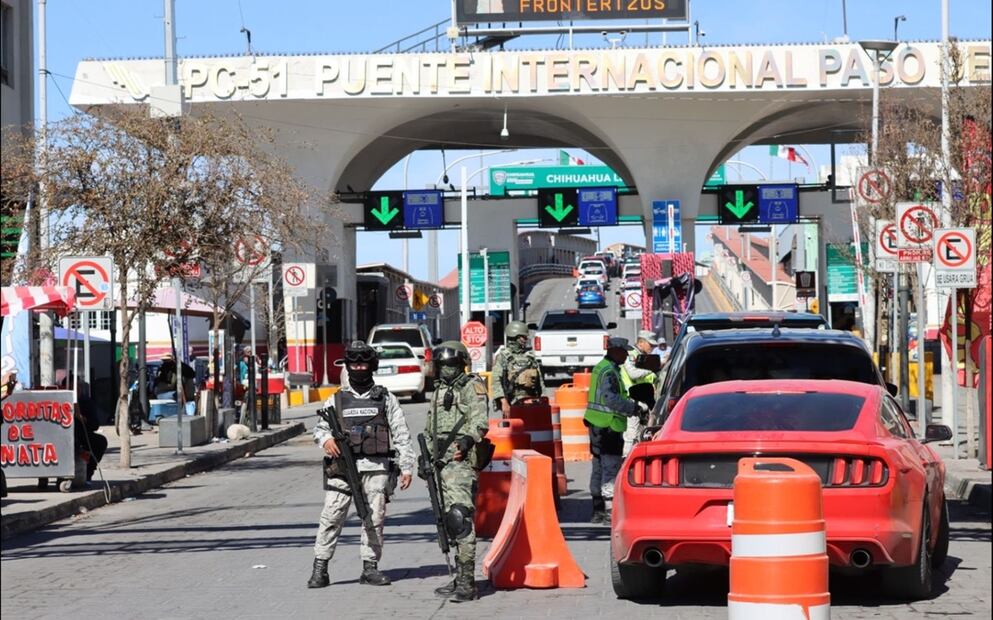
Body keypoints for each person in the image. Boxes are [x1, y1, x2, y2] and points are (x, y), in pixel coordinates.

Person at [307, 341, 415, 589]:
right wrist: (326, 440)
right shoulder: (336, 399)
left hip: (376, 468)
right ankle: (320, 568)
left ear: (371, 365)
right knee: (332, 516)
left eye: (362, 363)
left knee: (374, 518)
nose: (358, 367)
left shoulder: (385, 398)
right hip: (343, 469)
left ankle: (370, 568)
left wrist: (407, 467)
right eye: (353, 363)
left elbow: (401, 434)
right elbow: (320, 429)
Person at [425, 341, 489, 602]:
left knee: (459, 517)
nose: (446, 370)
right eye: (442, 365)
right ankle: (458, 575)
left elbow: (481, 421)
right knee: (446, 521)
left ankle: (467, 581)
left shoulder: (471, 387)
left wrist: (468, 440)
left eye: (451, 365)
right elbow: (431, 426)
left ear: (461, 364)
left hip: (460, 460)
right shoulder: (439, 390)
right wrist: (426, 455)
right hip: (439, 461)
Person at [584, 337, 647, 524]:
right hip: (608, 425)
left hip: (597, 424)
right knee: (610, 467)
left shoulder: (602, 367)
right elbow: (611, 399)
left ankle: (597, 509)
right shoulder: (609, 371)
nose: (627, 355)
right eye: (624, 352)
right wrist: (634, 407)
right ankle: (610, 511)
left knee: (597, 466)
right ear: (615, 351)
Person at [621, 330, 661, 456]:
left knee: (639, 432)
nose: (653, 347)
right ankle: (625, 461)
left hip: (641, 398)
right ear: (641, 342)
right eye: (651, 344)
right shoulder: (630, 354)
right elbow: (632, 373)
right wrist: (651, 370)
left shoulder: (641, 355)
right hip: (630, 398)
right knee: (631, 433)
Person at [491, 321, 543, 416]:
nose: (526, 339)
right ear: (515, 337)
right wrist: (504, 402)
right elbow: (496, 381)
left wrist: (543, 399)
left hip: (531, 401)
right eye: (523, 337)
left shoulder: (529, 356)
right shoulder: (503, 357)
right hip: (512, 403)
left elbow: (540, 382)